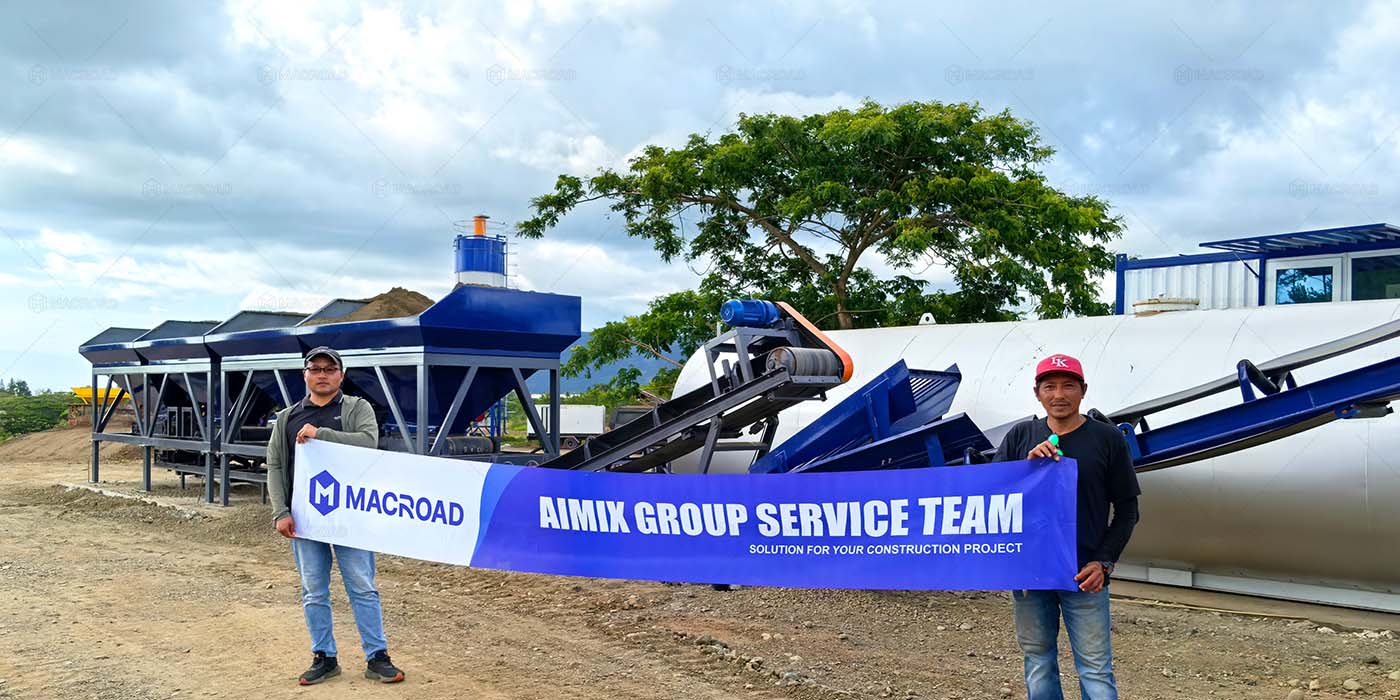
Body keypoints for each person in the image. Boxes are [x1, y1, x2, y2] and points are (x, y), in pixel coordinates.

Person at [993, 353, 1140, 700]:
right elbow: (991, 496)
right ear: (1037, 393)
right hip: (1031, 575)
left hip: (1084, 575)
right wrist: (1025, 469)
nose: (1059, 394)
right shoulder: (1020, 436)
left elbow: (1128, 509)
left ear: (1083, 390)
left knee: (1095, 670)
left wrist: (1103, 563)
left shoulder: (1106, 439)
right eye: (1050, 387)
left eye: (1068, 386)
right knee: (1039, 663)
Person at [265, 346, 406, 686]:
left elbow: (367, 443)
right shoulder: (287, 417)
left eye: (330, 369)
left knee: (362, 586)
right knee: (314, 590)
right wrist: (281, 511)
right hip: (305, 519)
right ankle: (324, 657)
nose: (323, 374)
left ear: (341, 375)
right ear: (306, 375)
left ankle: (377, 656)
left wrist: (321, 434)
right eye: (316, 369)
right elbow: (276, 464)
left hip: (352, 517)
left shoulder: (357, 408)